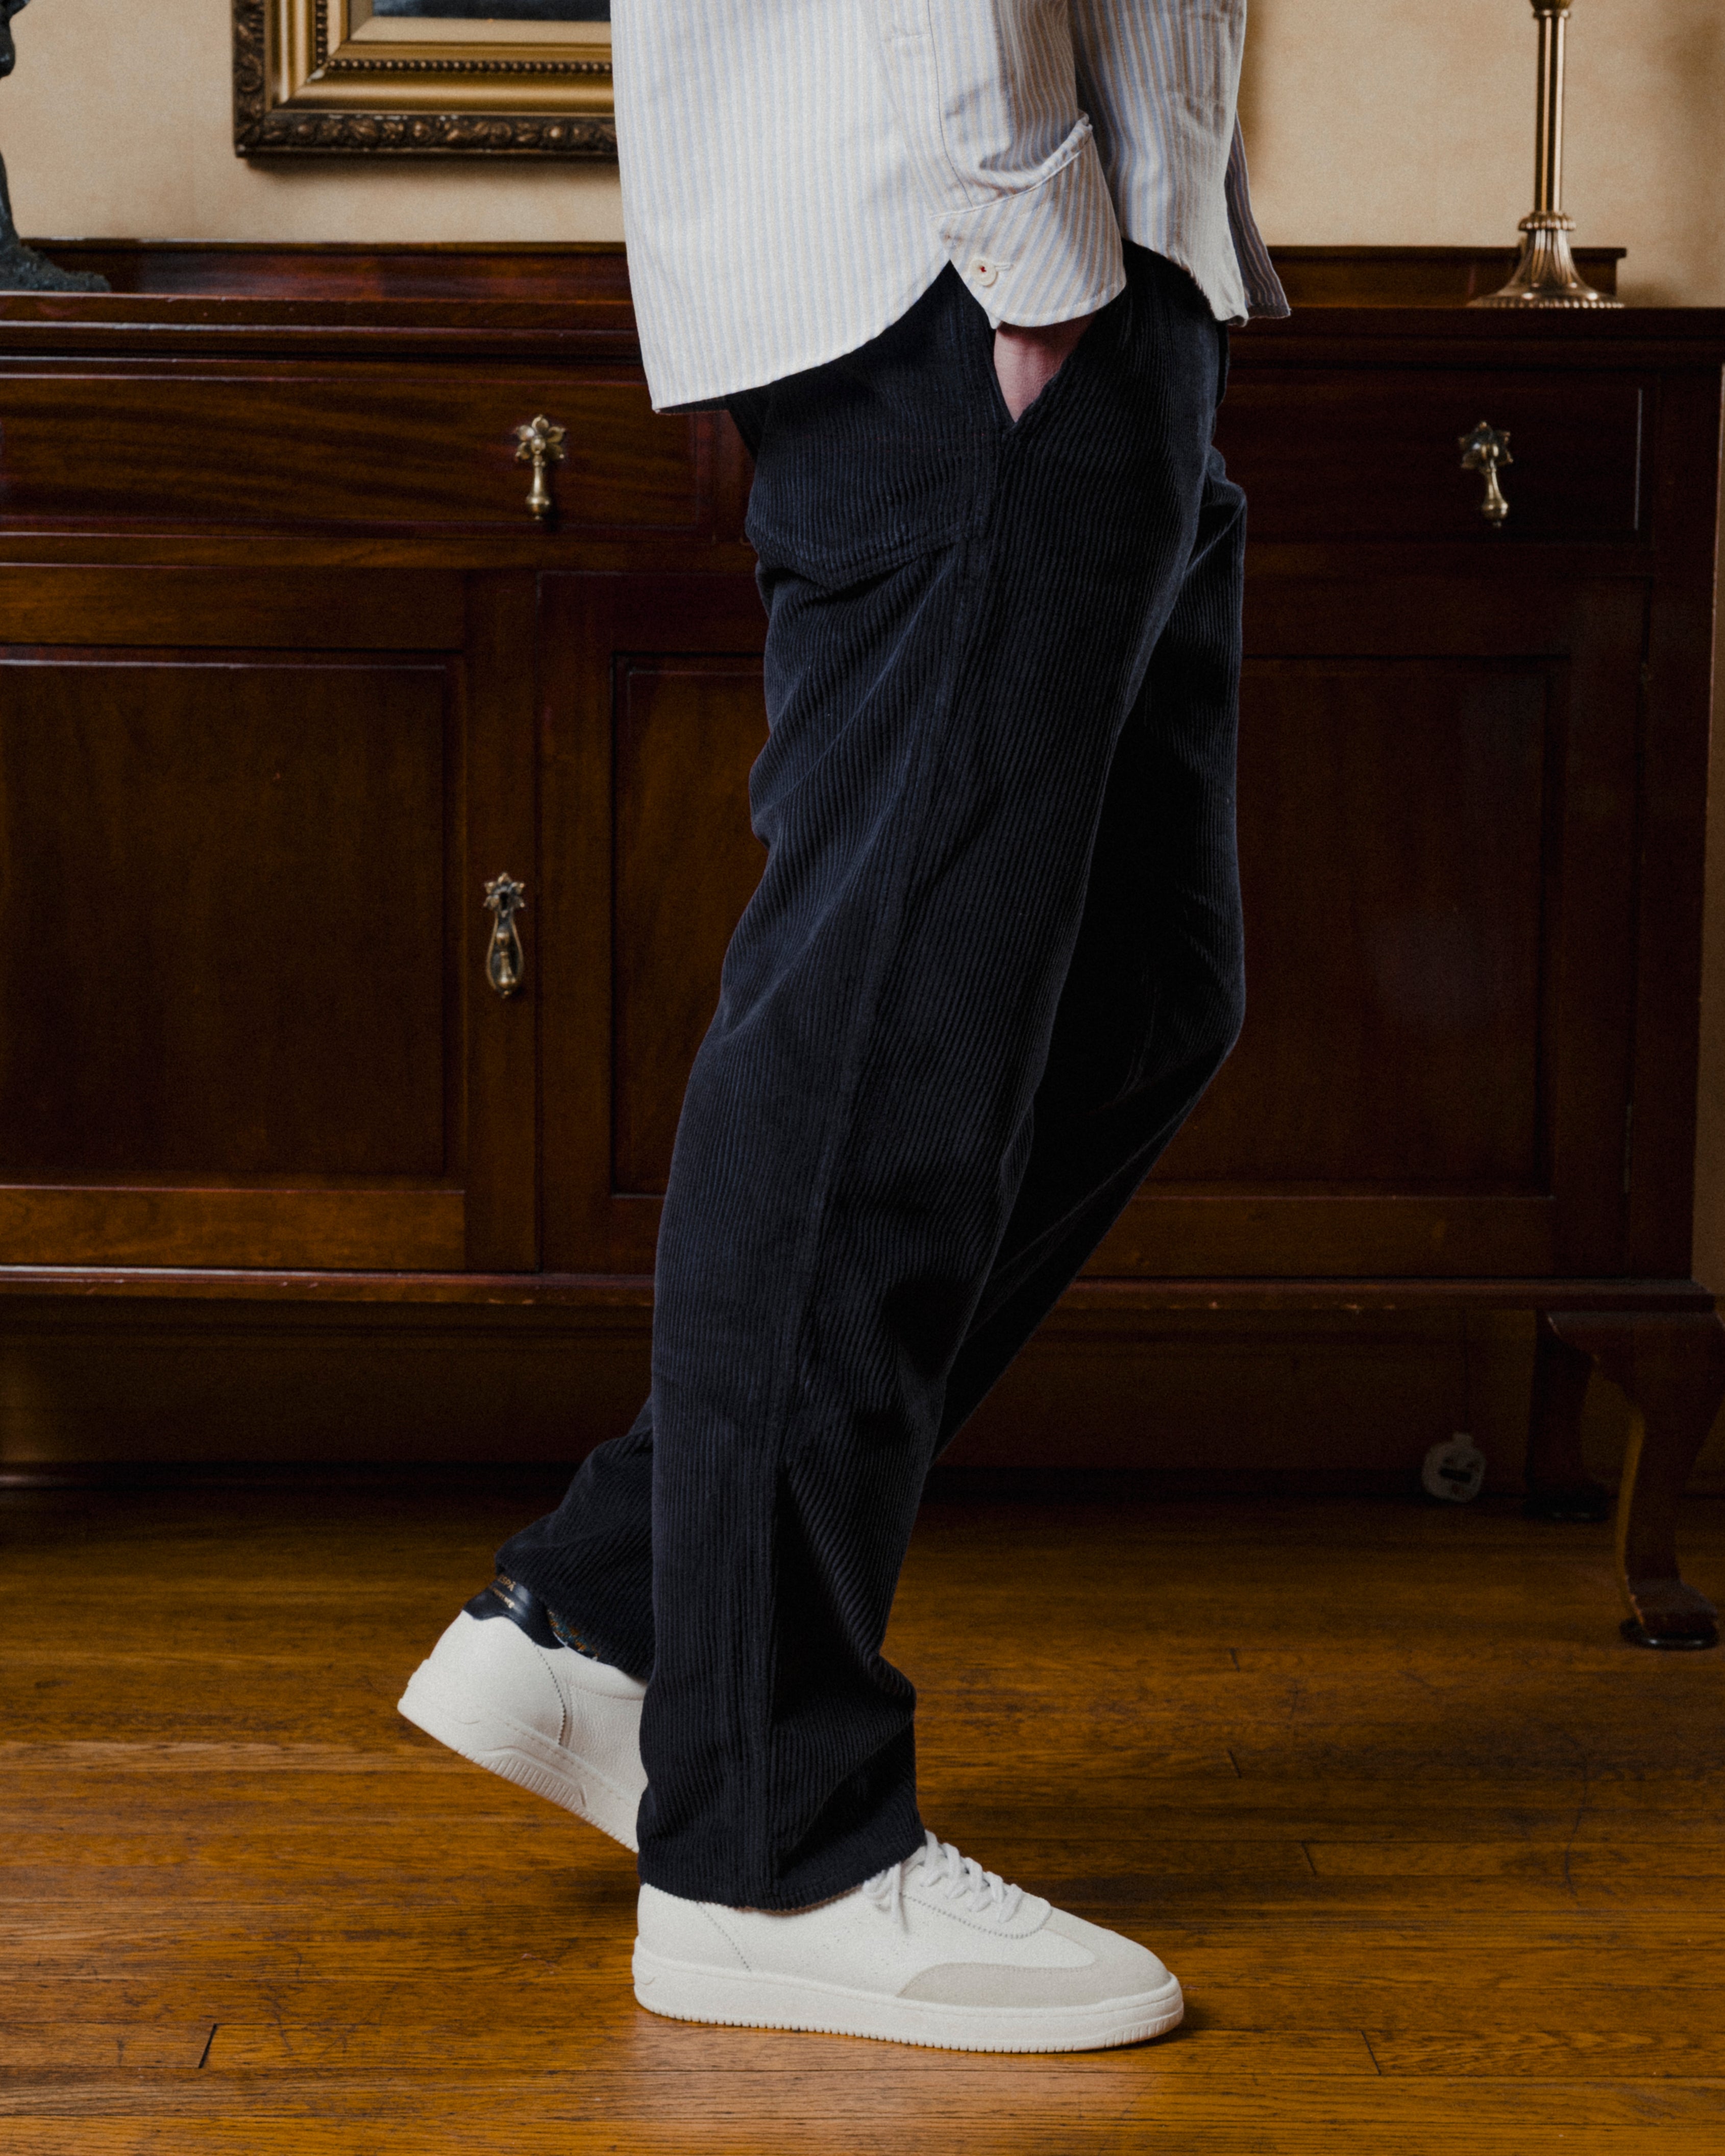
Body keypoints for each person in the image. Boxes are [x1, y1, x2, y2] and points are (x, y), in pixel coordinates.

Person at [401, 0, 1287, 2054]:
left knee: (1145, 987)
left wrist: (1145, 243)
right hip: (977, 273)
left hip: (1079, 263)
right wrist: (1033, 242)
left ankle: (623, 1613)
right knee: (874, 1037)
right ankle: (763, 1844)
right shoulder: (1010, 270)